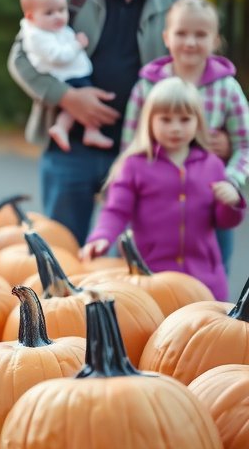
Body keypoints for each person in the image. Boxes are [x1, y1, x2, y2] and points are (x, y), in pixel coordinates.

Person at [8, 0, 186, 245]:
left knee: (138, 260)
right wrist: (68, 98)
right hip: (70, 152)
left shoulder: (177, 6)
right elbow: (19, 57)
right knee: (63, 252)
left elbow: (195, 77)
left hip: (143, 155)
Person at [81, 77, 245, 301]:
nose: (175, 128)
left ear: (198, 122)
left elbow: (224, 221)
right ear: (150, 122)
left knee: (206, 335)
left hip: (203, 281)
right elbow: (116, 211)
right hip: (151, 280)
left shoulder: (212, 165)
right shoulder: (135, 165)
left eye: (185, 119)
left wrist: (231, 202)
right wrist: (101, 236)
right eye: (165, 120)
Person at [122, 0, 249, 274]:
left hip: (209, 205)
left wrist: (229, 182)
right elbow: (131, 145)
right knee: (149, 277)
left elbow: (245, 146)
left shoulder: (227, 89)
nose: (190, 42)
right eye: (182, 33)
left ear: (215, 40)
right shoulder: (147, 87)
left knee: (212, 275)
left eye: (201, 34)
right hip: (155, 203)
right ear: (167, 37)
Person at [18, 0, 113, 152]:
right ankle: (78, 129)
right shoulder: (36, 36)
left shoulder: (50, 28)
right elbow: (57, 56)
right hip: (66, 77)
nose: (58, 16)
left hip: (73, 73)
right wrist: (77, 45)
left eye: (62, 10)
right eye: (49, 13)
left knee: (85, 103)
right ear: (31, 17)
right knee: (83, 104)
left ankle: (74, 129)